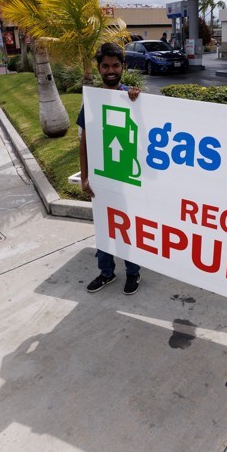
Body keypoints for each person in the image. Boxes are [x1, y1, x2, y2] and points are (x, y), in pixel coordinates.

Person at [78, 43, 143, 295]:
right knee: (104, 226)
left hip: (126, 176)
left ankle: (133, 273)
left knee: (127, 227)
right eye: (105, 66)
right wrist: (84, 177)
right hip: (102, 176)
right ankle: (106, 273)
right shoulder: (92, 101)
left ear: (123, 67)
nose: (111, 70)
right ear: (99, 68)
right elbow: (84, 142)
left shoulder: (132, 96)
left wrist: (136, 102)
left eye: (116, 65)